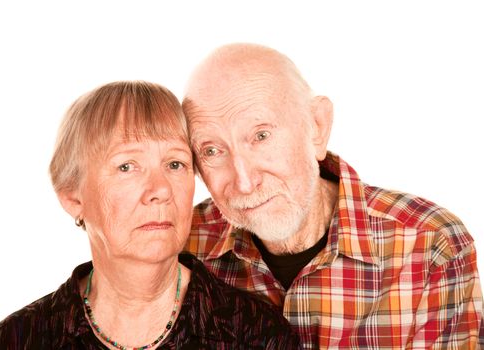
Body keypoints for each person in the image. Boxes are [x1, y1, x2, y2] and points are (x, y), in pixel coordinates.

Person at [182, 43, 484, 349]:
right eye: (212, 151)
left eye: (261, 136)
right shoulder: (180, 246)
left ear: (317, 126)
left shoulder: (430, 246)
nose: (245, 182)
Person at [0, 81, 300, 349]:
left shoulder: (257, 334)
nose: (160, 189)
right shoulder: (19, 339)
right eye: (126, 167)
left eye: (175, 164)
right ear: (71, 196)